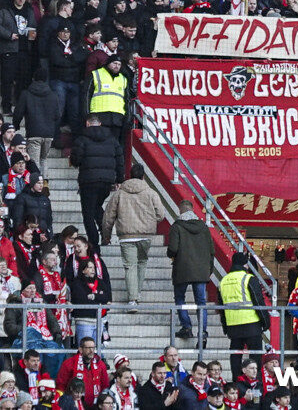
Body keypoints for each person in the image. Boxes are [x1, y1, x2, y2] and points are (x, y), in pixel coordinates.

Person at [101, 163, 165, 307]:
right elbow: (161, 214)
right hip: (146, 235)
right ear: (143, 176)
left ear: (129, 175)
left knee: (130, 266)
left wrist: (107, 235)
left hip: (126, 235)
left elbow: (108, 216)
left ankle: (132, 300)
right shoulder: (151, 193)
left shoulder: (119, 193)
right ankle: (138, 293)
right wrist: (150, 221)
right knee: (142, 262)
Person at [69, 115, 124, 249]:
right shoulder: (112, 139)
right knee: (97, 206)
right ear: (99, 124)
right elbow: (120, 159)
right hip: (107, 181)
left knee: (88, 212)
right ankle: (105, 233)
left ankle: (93, 242)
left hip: (88, 180)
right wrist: (119, 179)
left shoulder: (81, 139)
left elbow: (76, 160)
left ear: (88, 124)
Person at [217, 252, 270, 379]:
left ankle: (236, 381)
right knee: (255, 355)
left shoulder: (223, 281)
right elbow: (259, 302)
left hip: (233, 325)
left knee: (236, 354)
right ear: (246, 264)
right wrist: (266, 322)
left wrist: (225, 327)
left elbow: (222, 308)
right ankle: (255, 381)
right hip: (251, 324)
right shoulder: (248, 278)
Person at [167, 199, 215, 341]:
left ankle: (186, 327)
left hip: (182, 268)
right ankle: (203, 332)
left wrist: (170, 255)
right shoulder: (204, 227)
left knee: (180, 299)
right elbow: (211, 250)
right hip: (201, 270)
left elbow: (173, 248)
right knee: (201, 302)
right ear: (192, 210)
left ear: (181, 210)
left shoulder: (177, 226)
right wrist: (209, 268)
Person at [85, 56, 128, 142]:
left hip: (117, 117)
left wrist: (126, 117)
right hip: (99, 115)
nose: (117, 66)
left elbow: (127, 99)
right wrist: (87, 114)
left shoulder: (123, 79)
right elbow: (86, 95)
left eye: (119, 64)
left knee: (114, 144)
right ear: (108, 63)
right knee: (98, 144)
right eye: (114, 63)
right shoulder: (96, 74)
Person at [56, 339, 109, 408]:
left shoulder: (100, 364)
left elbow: (105, 385)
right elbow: (61, 386)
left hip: (95, 405)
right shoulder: (69, 364)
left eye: (93, 348)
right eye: (88, 348)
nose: (91, 350)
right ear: (81, 349)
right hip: (74, 405)